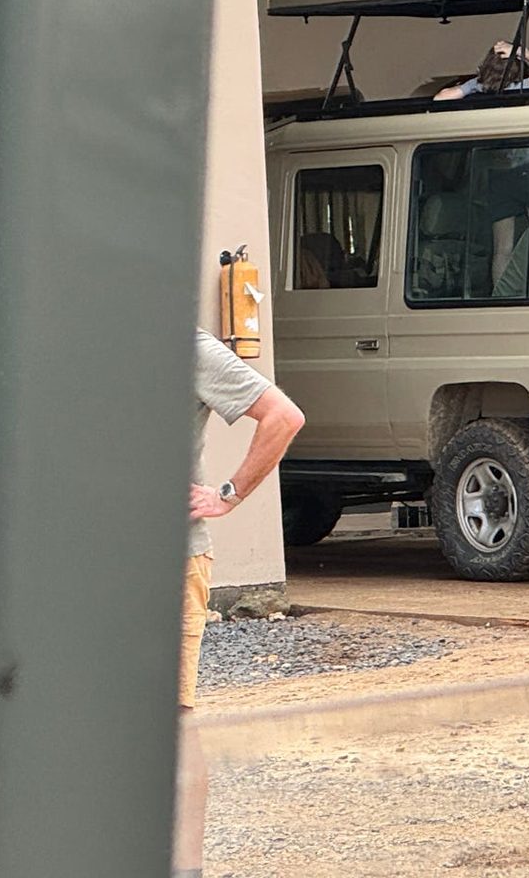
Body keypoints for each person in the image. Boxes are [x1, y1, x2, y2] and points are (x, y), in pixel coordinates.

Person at [176, 330, 306, 878]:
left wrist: (226, 495)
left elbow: (283, 416)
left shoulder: (186, 343)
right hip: (85, 564)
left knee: (169, 722)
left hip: (170, 565)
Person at [434, 38, 529, 99]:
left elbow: (440, 98)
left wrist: (477, 81)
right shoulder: (524, 86)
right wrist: (520, 51)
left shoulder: (476, 86)